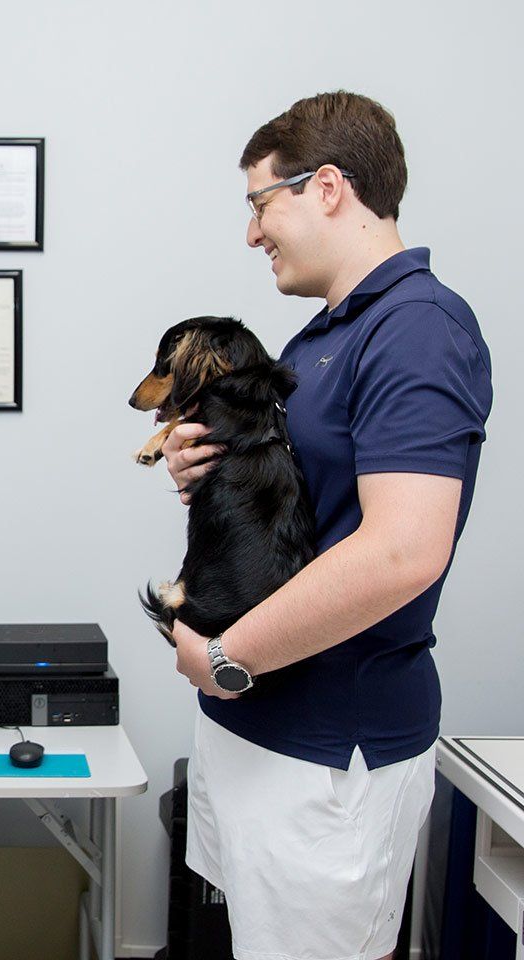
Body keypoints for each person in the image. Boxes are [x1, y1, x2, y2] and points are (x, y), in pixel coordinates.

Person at [162, 92, 493, 960]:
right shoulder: (323, 336)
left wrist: (228, 661)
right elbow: (303, 511)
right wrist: (203, 471)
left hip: (325, 752)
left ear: (330, 187)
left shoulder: (417, 329)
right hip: (257, 730)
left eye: (259, 202)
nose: (252, 233)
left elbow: (400, 551)